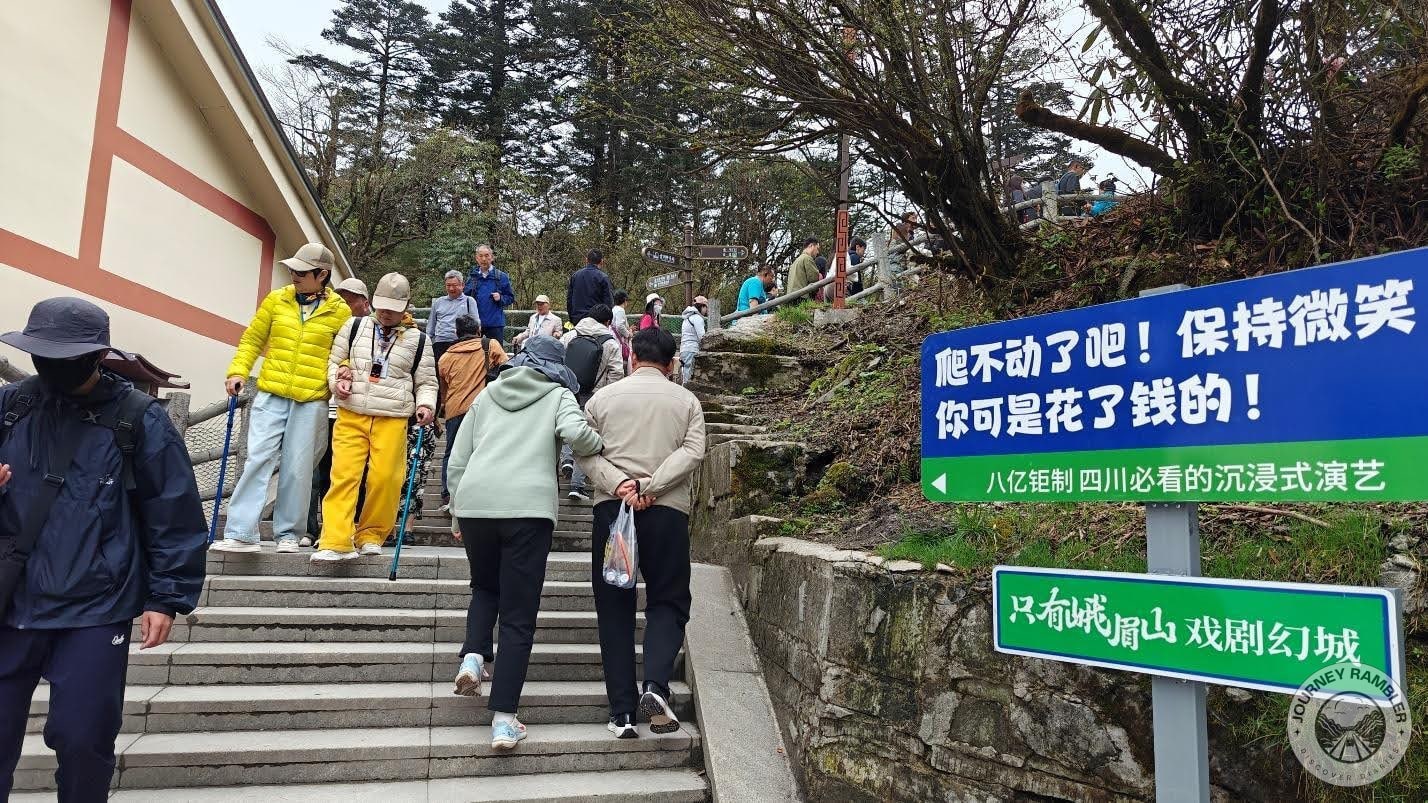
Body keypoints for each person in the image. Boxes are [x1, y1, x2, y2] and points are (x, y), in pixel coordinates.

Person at [0, 298, 207, 799]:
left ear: (97, 357)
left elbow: (173, 512)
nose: (51, 363)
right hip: (11, 597)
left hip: (96, 602)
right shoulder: (11, 407)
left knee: (83, 736)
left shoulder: (138, 419)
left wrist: (167, 596)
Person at [446, 334, 602, 750]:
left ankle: (474, 657)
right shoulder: (557, 395)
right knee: (518, 615)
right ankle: (503, 720)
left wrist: (458, 510)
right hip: (528, 511)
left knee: (484, 588)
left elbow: (458, 458)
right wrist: (598, 444)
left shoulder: (489, 393)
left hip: (477, 504)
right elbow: (577, 433)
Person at [576, 327, 707, 740]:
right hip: (665, 511)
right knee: (668, 599)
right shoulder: (686, 401)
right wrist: (651, 486)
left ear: (632, 358)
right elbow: (692, 450)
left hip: (613, 510)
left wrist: (621, 485)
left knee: (614, 605)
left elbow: (584, 451)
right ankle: (655, 685)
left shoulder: (601, 400)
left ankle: (622, 714)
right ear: (672, 364)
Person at [211, 243, 352, 554]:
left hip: (312, 398)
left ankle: (288, 533)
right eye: (293, 270)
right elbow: (252, 339)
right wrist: (237, 371)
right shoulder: (277, 300)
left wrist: (342, 372)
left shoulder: (340, 311)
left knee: (298, 468)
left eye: (302, 272)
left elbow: (343, 354)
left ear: (322, 275)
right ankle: (240, 532)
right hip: (272, 392)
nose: (294, 276)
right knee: (257, 458)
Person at [313, 273, 437, 562]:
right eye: (381, 305)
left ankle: (371, 534)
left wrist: (426, 405)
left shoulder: (419, 340)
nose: (385, 312)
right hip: (352, 411)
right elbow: (334, 362)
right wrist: (337, 382)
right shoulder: (354, 326)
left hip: (392, 416)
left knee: (385, 479)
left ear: (405, 305)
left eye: (393, 307)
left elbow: (427, 382)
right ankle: (334, 539)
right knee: (343, 475)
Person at [307, 277, 372, 545]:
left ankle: (353, 526)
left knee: (356, 473)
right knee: (319, 470)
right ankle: (315, 527)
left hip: (357, 411)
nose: (344, 303)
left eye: (350, 299)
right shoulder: (327, 322)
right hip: (324, 406)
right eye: (341, 297)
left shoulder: (372, 331)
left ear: (364, 303)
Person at [437, 314, 509, 513]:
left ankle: (448, 493)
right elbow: (507, 369)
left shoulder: (445, 358)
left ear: (456, 333)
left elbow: (444, 390)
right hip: (483, 408)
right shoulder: (490, 345)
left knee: (451, 452)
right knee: (484, 451)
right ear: (478, 331)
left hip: (454, 410)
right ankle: (484, 492)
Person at [560, 304, 625, 501]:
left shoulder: (570, 335)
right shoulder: (610, 343)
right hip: (595, 395)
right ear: (607, 322)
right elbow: (617, 372)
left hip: (570, 389)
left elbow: (559, 360)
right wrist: (607, 394)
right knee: (587, 435)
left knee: (566, 423)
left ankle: (566, 459)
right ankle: (577, 486)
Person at [463, 244, 515, 346]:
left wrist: (501, 298)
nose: (484, 259)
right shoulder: (472, 277)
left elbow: (511, 297)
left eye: (487, 255)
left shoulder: (501, 276)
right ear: (476, 258)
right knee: (474, 354)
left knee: (496, 355)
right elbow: (464, 298)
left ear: (492, 257)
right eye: (481, 256)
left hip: (495, 323)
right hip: (475, 324)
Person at [427, 270, 479, 366]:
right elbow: (431, 325)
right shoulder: (438, 302)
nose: (451, 288)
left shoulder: (469, 301)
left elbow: (477, 324)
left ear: (462, 285)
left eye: (454, 285)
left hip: (462, 343)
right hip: (440, 343)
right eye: (448, 285)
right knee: (440, 371)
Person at [567, 249, 615, 325]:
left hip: (578, 320)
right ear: (602, 261)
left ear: (586, 260)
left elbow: (569, 300)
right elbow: (608, 302)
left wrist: (572, 319)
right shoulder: (603, 278)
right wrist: (608, 321)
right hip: (596, 321)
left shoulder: (575, 276)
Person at [678, 296, 707, 384]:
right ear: (702, 306)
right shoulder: (697, 318)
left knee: (685, 372)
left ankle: (684, 388)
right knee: (689, 374)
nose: (706, 310)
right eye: (706, 307)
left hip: (684, 349)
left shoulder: (687, 318)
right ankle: (687, 391)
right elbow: (702, 336)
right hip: (692, 349)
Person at [611, 289, 632, 370]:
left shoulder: (614, 309)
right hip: (618, 340)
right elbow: (619, 326)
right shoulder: (620, 310)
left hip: (614, 337)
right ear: (624, 300)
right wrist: (628, 334)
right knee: (620, 361)